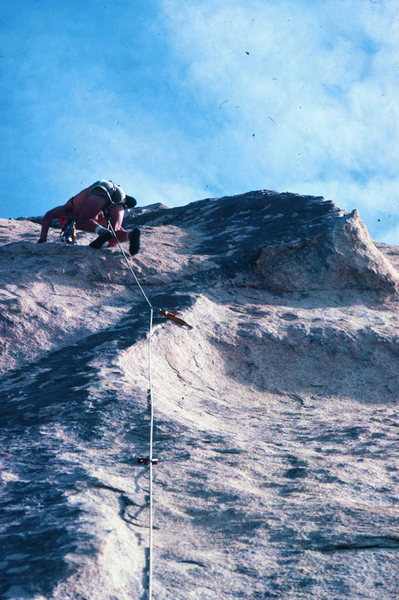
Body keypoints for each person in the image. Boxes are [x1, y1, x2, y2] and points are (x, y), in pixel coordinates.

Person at [37, 179, 140, 255]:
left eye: (64, 222)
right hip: (120, 194)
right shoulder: (98, 218)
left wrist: (42, 239)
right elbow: (113, 240)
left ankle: (102, 232)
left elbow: (49, 215)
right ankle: (131, 235)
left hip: (102, 187)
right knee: (114, 232)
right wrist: (102, 245)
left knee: (81, 221)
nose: (66, 225)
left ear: (63, 217)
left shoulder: (68, 208)